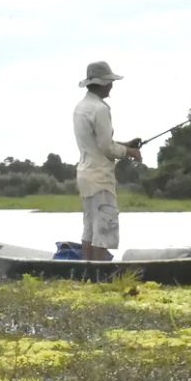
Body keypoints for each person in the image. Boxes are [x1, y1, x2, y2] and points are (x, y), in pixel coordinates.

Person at [73, 61, 142, 260]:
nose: (112, 85)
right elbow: (106, 147)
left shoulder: (81, 107)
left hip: (85, 175)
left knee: (90, 228)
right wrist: (130, 152)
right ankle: (99, 276)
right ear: (102, 83)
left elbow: (97, 142)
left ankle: (87, 275)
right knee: (103, 229)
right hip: (100, 178)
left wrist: (126, 144)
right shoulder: (100, 109)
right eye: (110, 82)